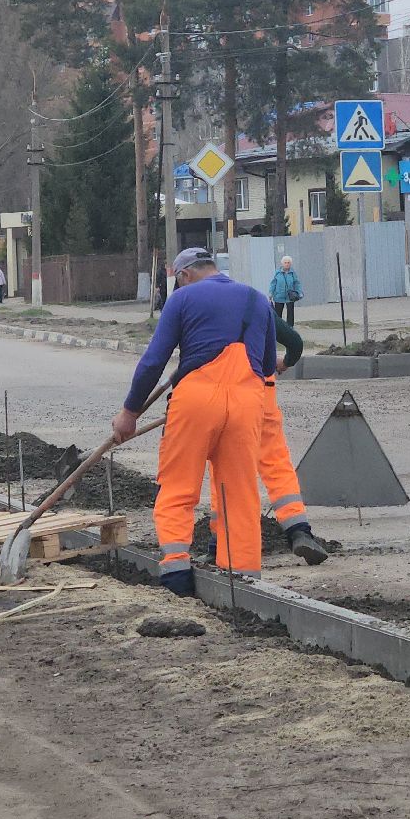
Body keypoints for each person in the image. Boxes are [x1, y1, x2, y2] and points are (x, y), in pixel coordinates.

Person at [112, 247, 274, 596]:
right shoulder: (258, 300)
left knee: (178, 485)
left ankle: (176, 575)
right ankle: (243, 581)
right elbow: (268, 363)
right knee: (239, 493)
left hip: (196, 399)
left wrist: (129, 413)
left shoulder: (183, 299)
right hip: (248, 402)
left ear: (183, 275)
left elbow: (154, 360)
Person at [258, 316, 330, 564]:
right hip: (262, 391)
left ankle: (220, 543)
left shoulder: (198, 305)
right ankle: (299, 530)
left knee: (226, 469)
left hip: (228, 394)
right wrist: (284, 362)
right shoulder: (254, 303)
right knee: (276, 465)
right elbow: (295, 343)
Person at [268, 255, 302, 325]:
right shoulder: (278, 273)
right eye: (285, 262)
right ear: (282, 263)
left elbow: (297, 283)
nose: (287, 264)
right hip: (279, 296)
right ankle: (278, 328)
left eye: (288, 262)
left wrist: (299, 292)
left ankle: (290, 328)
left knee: (290, 313)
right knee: (278, 314)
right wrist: (270, 293)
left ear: (290, 264)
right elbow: (273, 284)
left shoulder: (292, 273)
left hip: (290, 296)